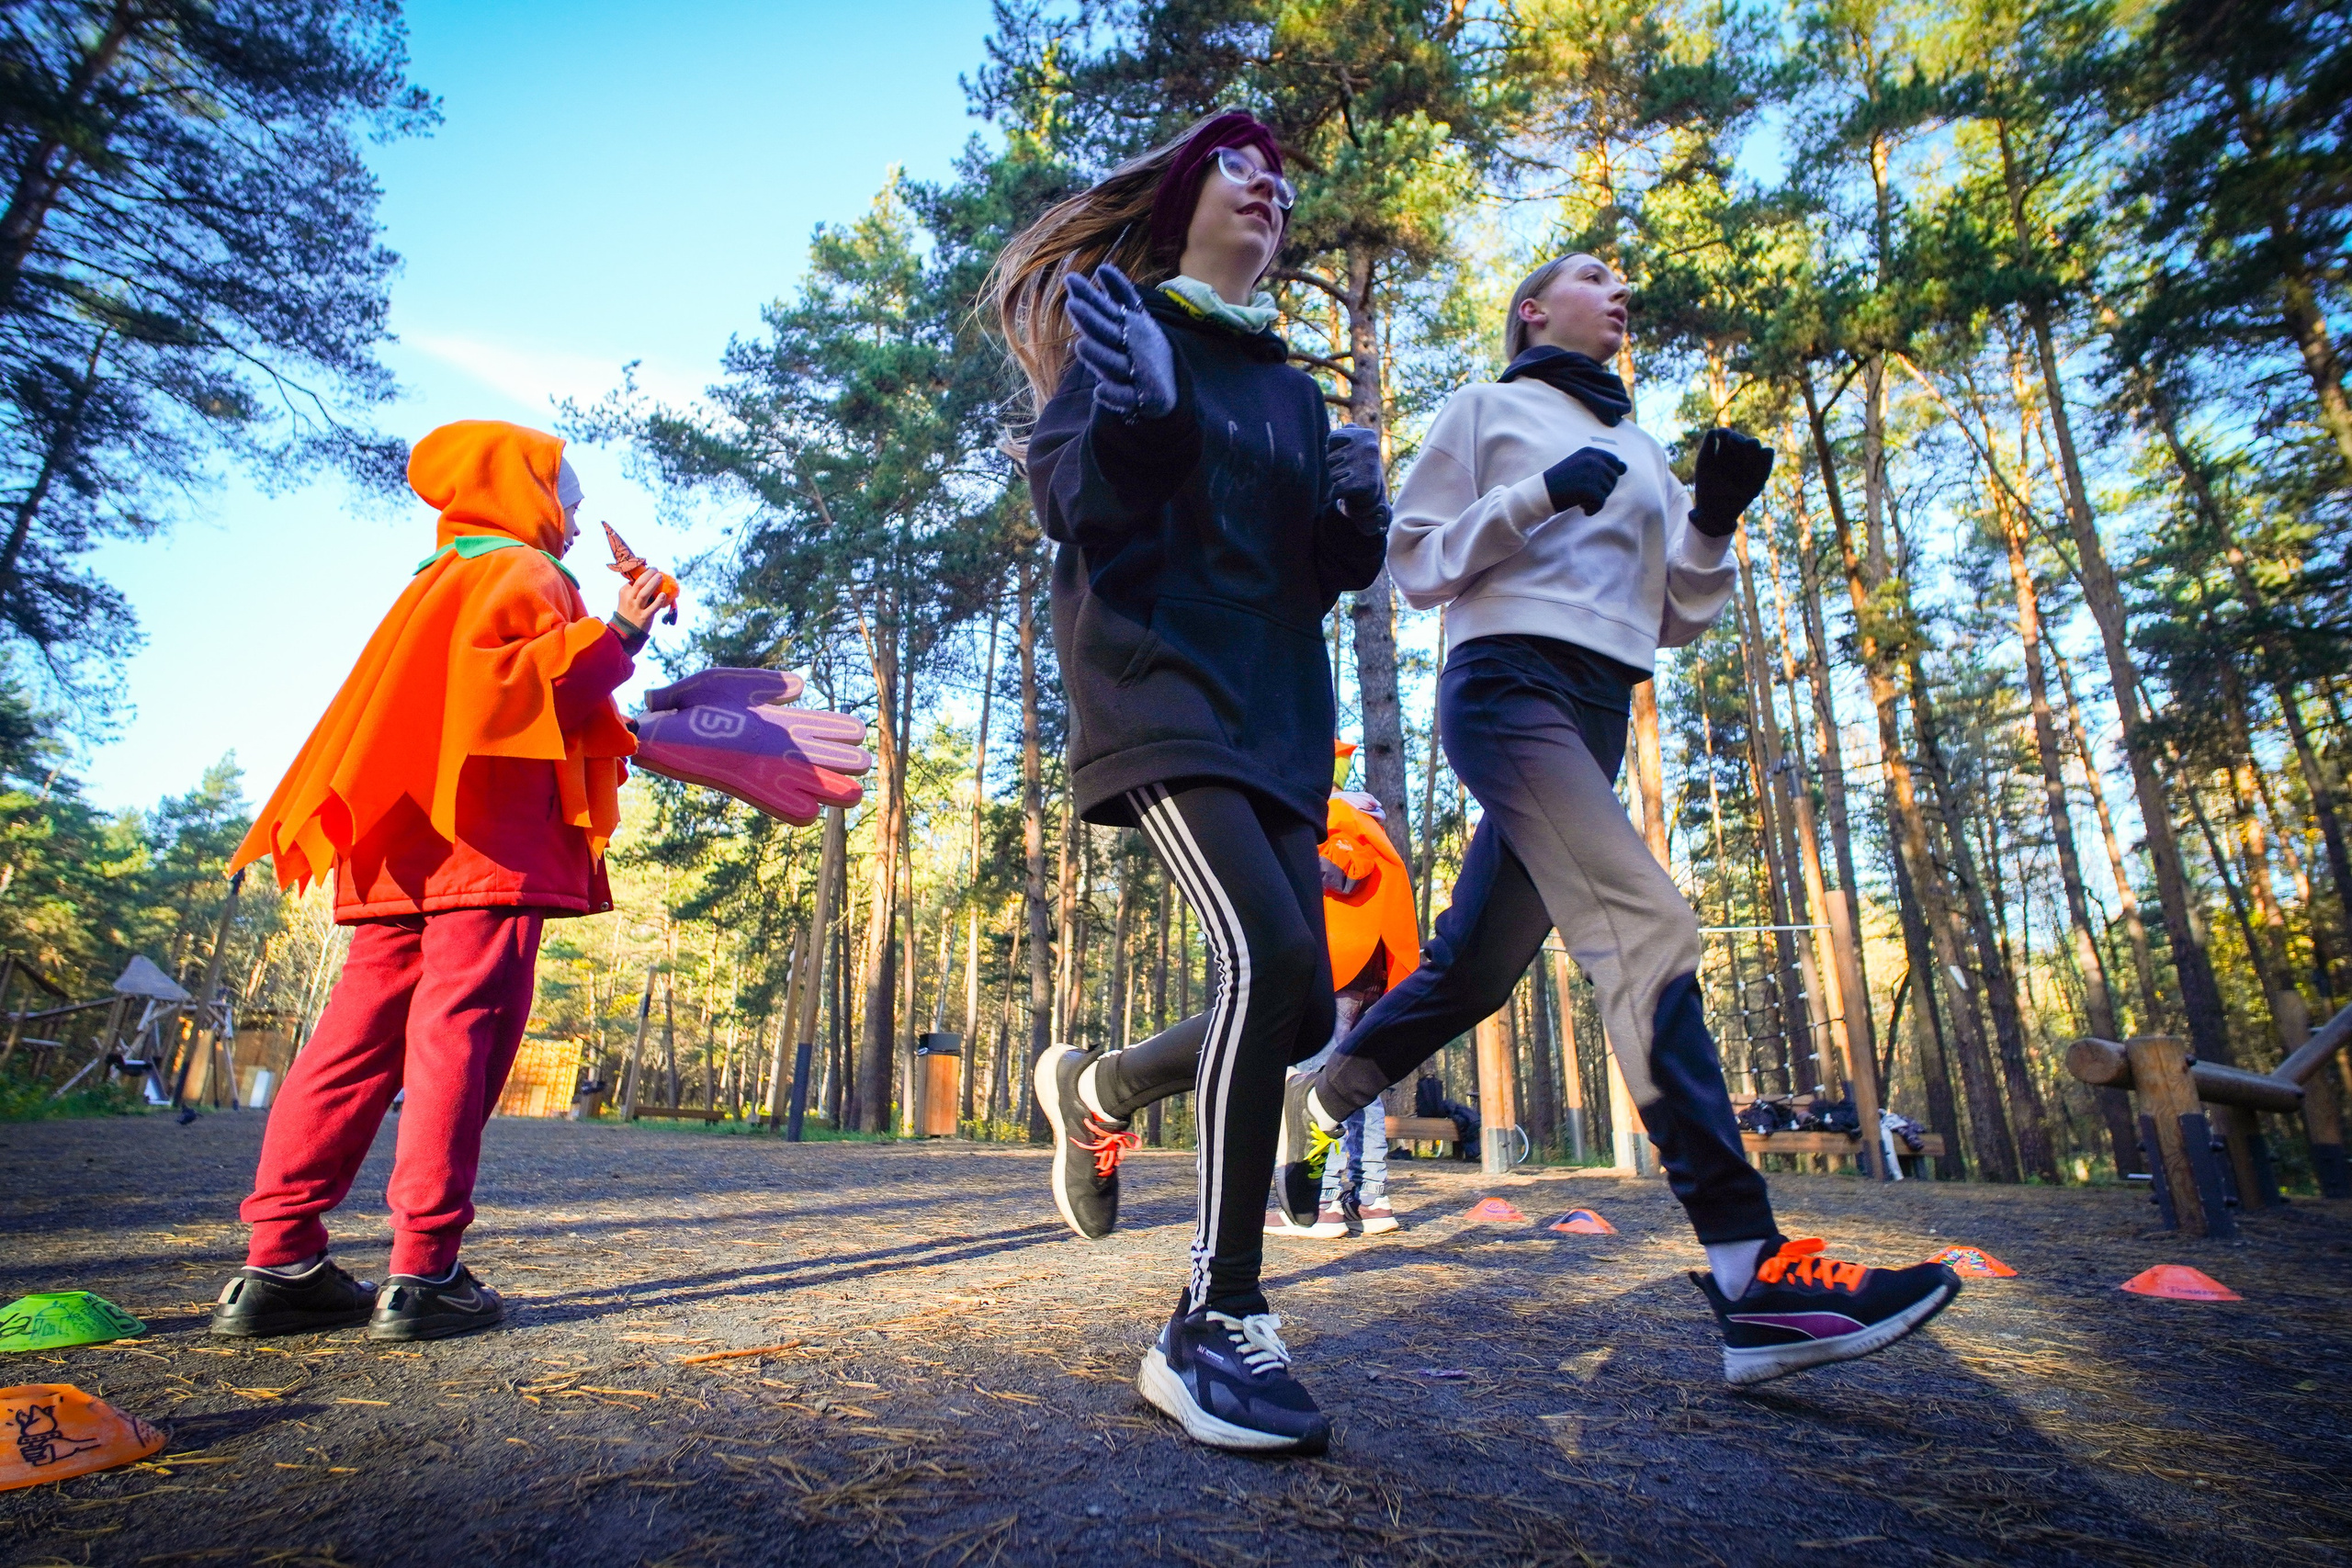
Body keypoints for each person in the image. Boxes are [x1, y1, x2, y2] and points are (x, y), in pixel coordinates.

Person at [1281, 254, 1961, 1388]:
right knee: (1646, 933)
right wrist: (1540, 494)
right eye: (1595, 276)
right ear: (1534, 310)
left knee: (1474, 972)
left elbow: (1675, 613)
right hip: (1506, 689)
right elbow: (1413, 565)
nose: (1623, 288)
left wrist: (1710, 519)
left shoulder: (1643, 448)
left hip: (1599, 705)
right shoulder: (1486, 407)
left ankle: (1329, 1090)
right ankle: (1753, 1275)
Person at [987, 108, 1388, 1454]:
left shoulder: (1289, 385)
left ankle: (1097, 1088)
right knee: (1273, 956)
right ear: (1180, 200)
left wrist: (1355, 527)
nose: (1269, 184)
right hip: (1158, 680)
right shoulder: (1120, 324)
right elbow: (1074, 502)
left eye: (1280, 175)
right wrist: (1144, 414)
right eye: (1238, 163)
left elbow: (1304, 572)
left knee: (1306, 995)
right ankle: (1216, 1316)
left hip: (1276, 705)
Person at [209, 420, 666, 1344]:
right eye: (565, 499)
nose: (574, 521)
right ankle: (425, 1272)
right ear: (520, 494)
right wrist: (621, 631)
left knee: (352, 1041)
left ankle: (280, 1260)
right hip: (485, 846)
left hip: (397, 843)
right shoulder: (525, 575)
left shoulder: (430, 584)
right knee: (461, 1039)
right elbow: (520, 694)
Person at [1272, 742, 1420, 1239]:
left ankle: (1324, 1202)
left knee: (1315, 1078)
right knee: (1356, 1081)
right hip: (1371, 968)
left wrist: (1294, 860)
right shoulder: (1360, 812)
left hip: (1342, 963)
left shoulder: (1336, 811)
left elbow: (1348, 869)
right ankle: (1371, 1199)